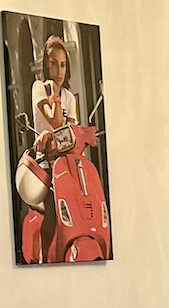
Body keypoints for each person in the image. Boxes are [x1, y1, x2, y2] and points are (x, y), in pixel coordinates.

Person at [13, 33, 110, 263]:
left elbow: (71, 127)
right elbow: (55, 120)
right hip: (46, 160)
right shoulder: (39, 88)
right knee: (52, 208)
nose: (59, 70)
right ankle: (48, 257)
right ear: (46, 64)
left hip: (68, 159)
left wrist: (83, 133)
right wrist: (54, 97)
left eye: (63, 64)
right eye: (54, 64)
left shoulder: (70, 97)